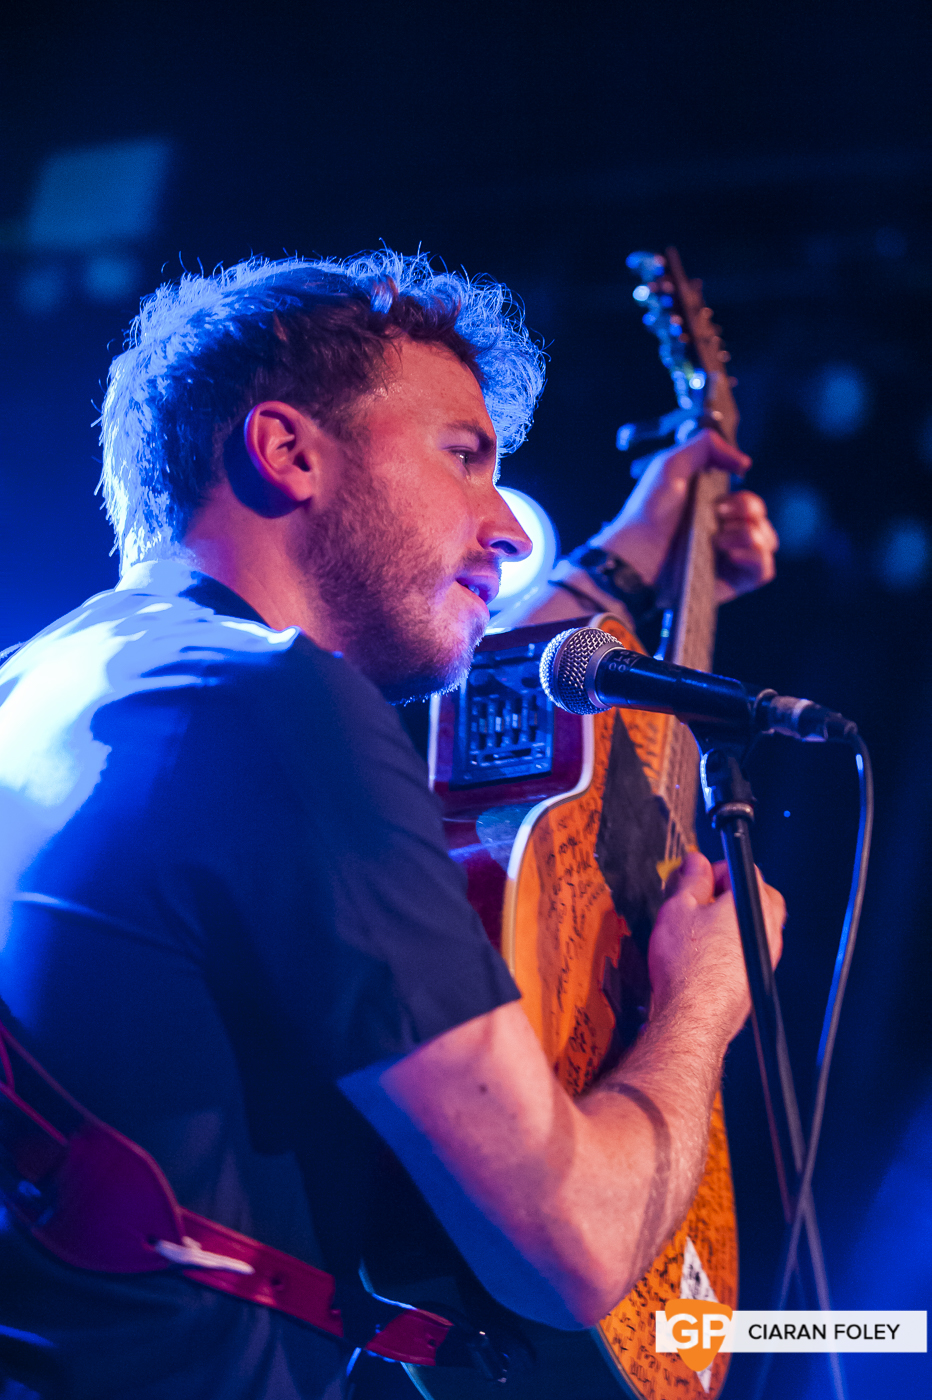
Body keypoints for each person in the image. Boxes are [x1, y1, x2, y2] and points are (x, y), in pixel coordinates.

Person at [0, 252, 783, 1400]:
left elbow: (487, 699)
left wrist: (634, 549)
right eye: (462, 456)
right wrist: (705, 994)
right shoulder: (278, 706)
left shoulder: (61, 685)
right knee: (871, 1336)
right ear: (288, 451)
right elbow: (566, 1249)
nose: (506, 530)